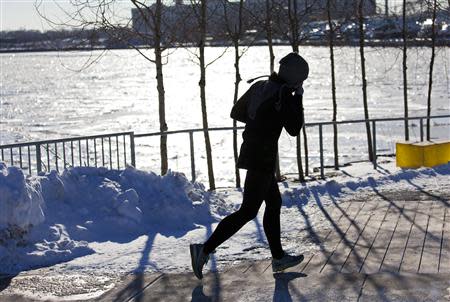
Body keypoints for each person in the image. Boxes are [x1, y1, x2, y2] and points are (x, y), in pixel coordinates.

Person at [190, 52, 309, 280]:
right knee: (248, 211)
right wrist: (298, 98)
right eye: (301, 80)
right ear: (295, 77)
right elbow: (294, 129)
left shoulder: (261, 86)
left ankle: (278, 257)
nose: (301, 83)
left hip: (252, 151)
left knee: (274, 202)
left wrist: (259, 123)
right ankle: (203, 250)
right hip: (262, 157)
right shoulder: (283, 93)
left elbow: (236, 112)